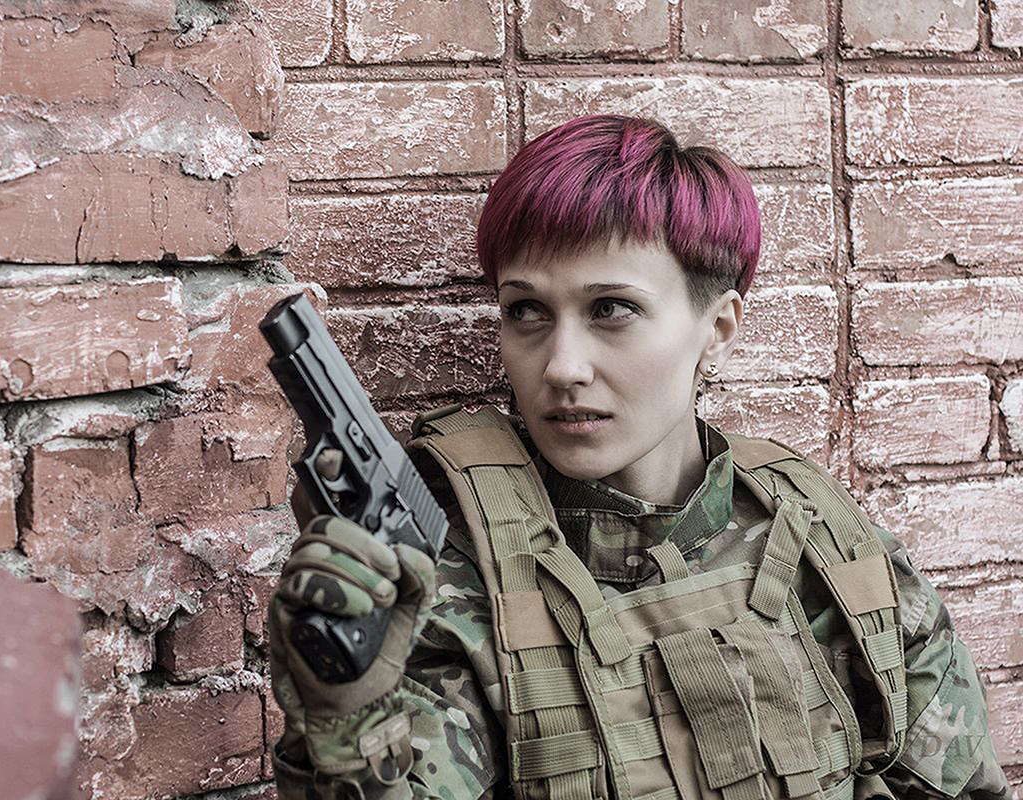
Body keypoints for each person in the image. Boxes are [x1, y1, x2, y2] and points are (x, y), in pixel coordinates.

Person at [266, 115, 1011, 800]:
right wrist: (347, 715)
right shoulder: (454, 585)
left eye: (611, 309)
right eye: (526, 310)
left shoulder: (830, 543)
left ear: (718, 329)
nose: (562, 367)